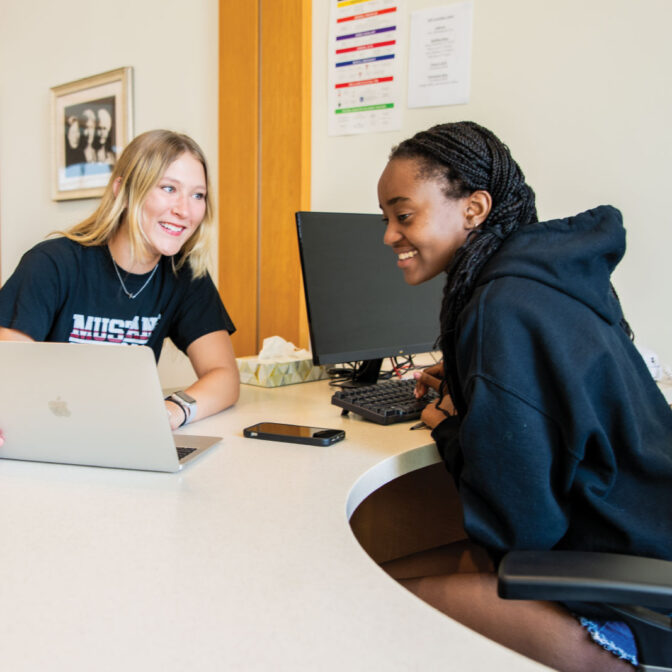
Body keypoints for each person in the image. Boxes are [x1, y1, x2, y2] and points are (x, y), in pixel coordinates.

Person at [377, 121, 672, 672]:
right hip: (649, 548)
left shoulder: (500, 307)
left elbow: (521, 531)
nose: (389, 235)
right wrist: (478, 378)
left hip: (634, 609)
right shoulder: (540, 276)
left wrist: (451, 430)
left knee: (371, 595)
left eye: (404, 215)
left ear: (474, 208)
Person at [0, 129, 239, 431]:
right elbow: (6, 376)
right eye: (168, 188)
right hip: (47, 432)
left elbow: (224, 376)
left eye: (197, 195)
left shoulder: (185, 276)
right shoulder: (52, 264)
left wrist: (172, 411)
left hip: (124, 434)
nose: (184, 210)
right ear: (123, 191)